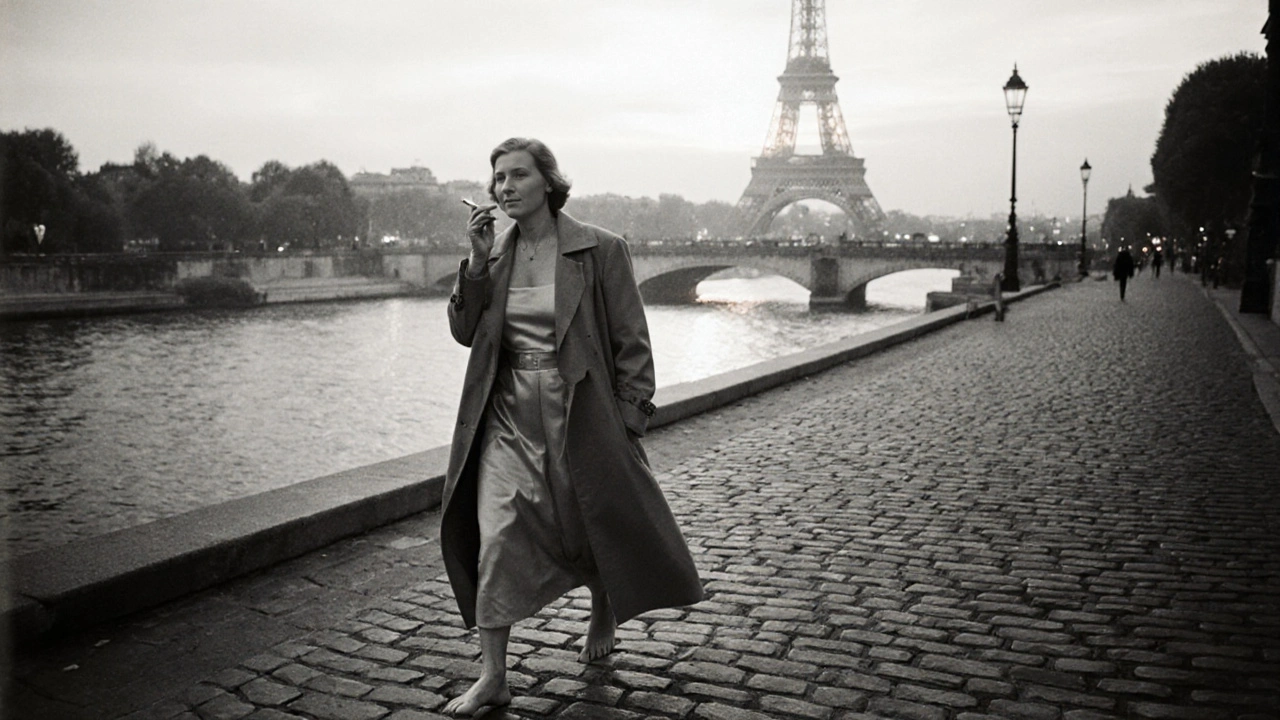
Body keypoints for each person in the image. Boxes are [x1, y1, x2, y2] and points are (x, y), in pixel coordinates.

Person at [440, 137, 704, 716]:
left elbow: (631, 339)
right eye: (498, 179)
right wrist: (478, 262)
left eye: (517, 176)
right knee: (499, 531)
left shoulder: (601, 249)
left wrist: (631, 421)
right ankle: (493, 676)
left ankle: (602, 601)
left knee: (590, 519)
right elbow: (463, 332)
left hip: (579, 409)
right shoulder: (497, 253)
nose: (504, 188)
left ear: (548, 182)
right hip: (508, 411)